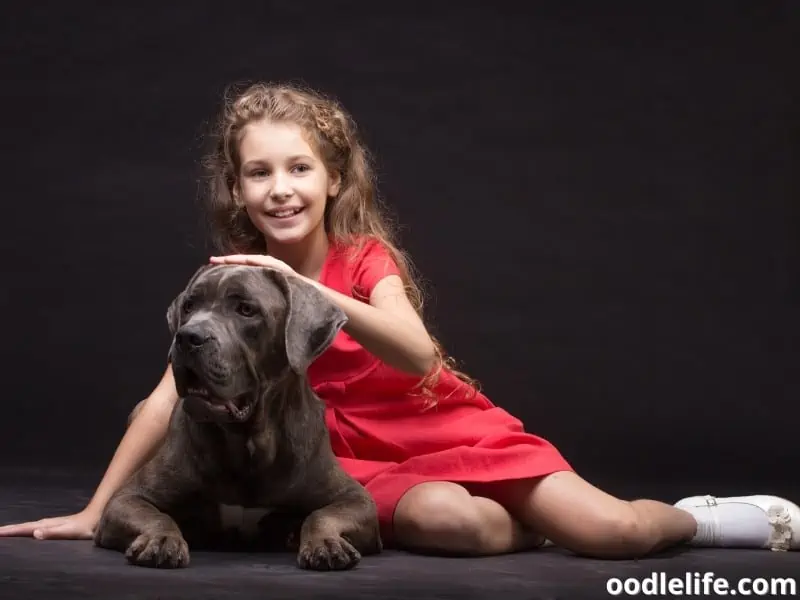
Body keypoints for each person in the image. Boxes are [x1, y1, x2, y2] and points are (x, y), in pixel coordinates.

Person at [1, 81, 796, 558]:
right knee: (448, 522)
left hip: (435, 425)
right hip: (342, 456)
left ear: (332, 176)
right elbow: (166, 396)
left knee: (615, 533)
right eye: (259, 172)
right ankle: (541, 533)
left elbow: (418, 356)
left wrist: (307, 291)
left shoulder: (363, 256)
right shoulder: (233, 280)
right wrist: (95, 510)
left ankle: (710, 522)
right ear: (236, 188)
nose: (280, 188)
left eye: (299, 168)